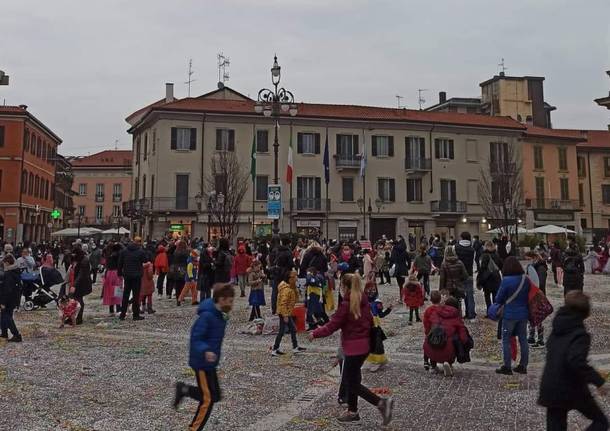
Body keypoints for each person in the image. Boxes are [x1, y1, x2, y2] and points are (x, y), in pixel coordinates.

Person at [309, 273, 394, 425]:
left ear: (345, 287)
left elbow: (332, 326)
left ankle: (382, 403)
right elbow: (369, 321)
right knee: (353, 378)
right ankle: (352, 411)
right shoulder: (363, 300)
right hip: (365, 346)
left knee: (351, 382)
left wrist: (315, 333)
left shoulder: (346, 305)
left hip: (353, 348)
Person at [538, 291, 608, 430]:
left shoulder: (558, 327)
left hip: (550, 385)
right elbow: (576, 361)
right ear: (585, 312)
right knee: (601, 422)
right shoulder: (580, 334)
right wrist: (598, 381)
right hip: (572, 388)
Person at [173, 284, 236, 431]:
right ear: (221, 299)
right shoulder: (207, 316)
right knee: (207, 400)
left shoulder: (220, 314)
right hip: (201, 362)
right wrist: (206, 350)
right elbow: (196, 337)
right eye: (230, 301)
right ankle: (194, 429)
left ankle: (184, 390)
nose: (232, 305)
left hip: (210, 363)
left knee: (215, 395)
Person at [493, 256, 531, 375]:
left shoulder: (506, 280)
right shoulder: (526, 279)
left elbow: (498, 299)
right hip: (523, 313)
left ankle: (507, 366)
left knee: (506, 340)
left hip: (509, 314)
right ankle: (523, 365)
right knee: (523, 339)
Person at [423, 296, 468, 377]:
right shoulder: (456, 317)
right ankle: (448, 363)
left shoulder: (435, 312)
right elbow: (463, 336)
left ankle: (433, 366)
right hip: (447, 348)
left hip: (431, 345)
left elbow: (428, 325)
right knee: (454, 340)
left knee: (432, 346)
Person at [271, 270, 306, 356]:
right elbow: (283, 303)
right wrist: (285, 315)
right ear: (290, 279)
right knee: (282, 331)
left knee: (292, 329)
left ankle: (295, 347)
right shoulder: (286, 290)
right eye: (295, 277)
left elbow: (296, 299)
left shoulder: (290, 288)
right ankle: (275, 349)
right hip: (284, 312)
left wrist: (295, 288)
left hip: (286, 312)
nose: (296, 279)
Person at [117, 237, 148, 321]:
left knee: (125, 295)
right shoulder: (140, 251)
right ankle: (135, 315)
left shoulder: (124, 251)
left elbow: (120, 264)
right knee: (136, 295)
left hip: (127, 275)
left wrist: (119, 273)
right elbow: (145, 260)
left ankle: (122, 314)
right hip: (137, 276)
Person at [364, 281, 392, 371]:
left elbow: (381, 315)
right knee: (369, 343)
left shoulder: (377, 302)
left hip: (375, 326)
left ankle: (378, 361)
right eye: (369, 289)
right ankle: (373, 360)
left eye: (373, 290)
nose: (371, 291)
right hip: (366, 325)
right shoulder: (363, 301)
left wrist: (389, 309)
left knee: (377, 343)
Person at [525, 251, 548, 348]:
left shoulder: (541, 268)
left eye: (528, 259)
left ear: (534, 258)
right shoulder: (532, 267)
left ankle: (540, 338)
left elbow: (540, 283)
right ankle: (531, 336)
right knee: (531, 316)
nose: (528, 261)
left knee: (538, 317)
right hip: (531, 295)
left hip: (538, 295)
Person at [0, 254, 22, 342]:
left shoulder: (9, 274)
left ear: (8, 263)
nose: (3, 265)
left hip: (9, 299)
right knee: (4, 315)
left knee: (6, 316)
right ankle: (4, 332)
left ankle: (16, 335)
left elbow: (7, 289)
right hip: (13, 298)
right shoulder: (14, 272)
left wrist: (3, 302)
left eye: (4, 263)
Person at [454, 232, 476, 321]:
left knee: (458, 295)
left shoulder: (455, 247)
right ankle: (470, 314)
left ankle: (458, 314)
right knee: (470, 295)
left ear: (461, 237)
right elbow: (474, 261)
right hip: (469, 273)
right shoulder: (472, 249)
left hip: (458, 274)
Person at [477, 241, 503, 313]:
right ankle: (495, 312)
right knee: (495, 296)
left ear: (486, 246)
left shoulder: (485, 255)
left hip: (487, 278)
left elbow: (482, 268)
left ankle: (489, 311)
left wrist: (479, 279)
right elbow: (501, 266)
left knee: (487, 296)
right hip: (496, 278)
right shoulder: (497, 254)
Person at [422, 290, 442, 371]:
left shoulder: (428, 310)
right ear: (440, 299)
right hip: (438, 332)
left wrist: (427, 331)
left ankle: (426, 361)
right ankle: (433, 364)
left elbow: (425, 321)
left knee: (427, 346)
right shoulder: (442, 309)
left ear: (431, 300)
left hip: (430, 331)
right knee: (434, 348)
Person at [71, 247, 92, 325]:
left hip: (82, 284)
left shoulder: (84, 261)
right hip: (79, 282)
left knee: (78, 300)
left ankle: (79, 318)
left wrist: (74, 285)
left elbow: (81, 274)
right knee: (76, 299)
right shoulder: (80, 259)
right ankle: (75, 317)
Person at [102, 243, 123, 315]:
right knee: (117, 291)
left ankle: (111, 310)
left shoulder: (108, 255)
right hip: (116, 273)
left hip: (108, 273)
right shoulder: (118, 255)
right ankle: (118, 309)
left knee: (109, 291)